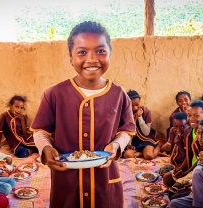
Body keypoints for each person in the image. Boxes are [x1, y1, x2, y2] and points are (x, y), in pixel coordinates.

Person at [29, 21, 136, 208]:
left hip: (105, 180)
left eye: (101, 51)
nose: (92, 59)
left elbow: (126, 131)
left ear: (110, 53)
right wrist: (45, 148)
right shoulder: (54, 94)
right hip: (67, 179)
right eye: (82, 52)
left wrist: (117, 145)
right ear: (71, 57)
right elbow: (40, 131)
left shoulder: (119, 94)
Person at [163, 100, 203, 189]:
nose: (191, 119)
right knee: (166, 178)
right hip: (190, 167)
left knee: (174, 191)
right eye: (189, 115)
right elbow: (189, 156)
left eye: (196, 116)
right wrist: (181, 169)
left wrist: (186, 173)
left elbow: (201, 161)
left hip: (201, 169)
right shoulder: (189, 133)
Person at [123, 90, 162, 160]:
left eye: (137, 105)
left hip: (146, 140)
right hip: (135, 142)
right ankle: (143, 153)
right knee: (127, 155)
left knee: (149, 156)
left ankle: (158, 146)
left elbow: (146, 133)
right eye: (132, 106)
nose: (135, 108)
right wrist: (129, 144)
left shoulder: (146, 112)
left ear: (140, 101)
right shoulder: (126, 114)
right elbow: (127, 131)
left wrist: (140, 117)